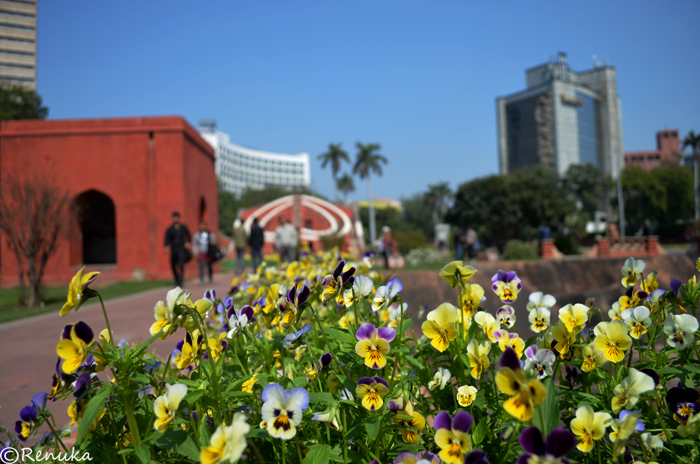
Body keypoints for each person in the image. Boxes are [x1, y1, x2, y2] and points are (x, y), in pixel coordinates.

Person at [164, 211, 191, 287]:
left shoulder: (183, 227)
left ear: (179, 218)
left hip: (181, 248)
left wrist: (188, 242)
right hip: (174, 249)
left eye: (177, 217)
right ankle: (176, 279)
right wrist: (166, 245)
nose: (175, 219)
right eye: (174, 217)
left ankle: (180, 281)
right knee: (173, 264)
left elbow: (188, 235)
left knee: (181, 264)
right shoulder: (170, 229)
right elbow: (167, 238)